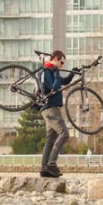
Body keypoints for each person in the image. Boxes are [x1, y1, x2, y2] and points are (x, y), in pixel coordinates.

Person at [38, 50, 69, 179]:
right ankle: (51, 163)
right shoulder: (46, 70)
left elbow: (63, 82)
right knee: (64, 134)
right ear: (56, 58)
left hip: (50, 109)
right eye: (61, 62)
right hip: (50, 109)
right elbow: (53, 87)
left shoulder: (52, 70)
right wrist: (56, 73)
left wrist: (74, 73)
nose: (62, 66)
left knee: (50, 139)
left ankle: (44, 168)